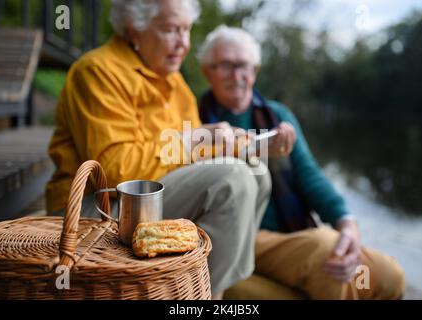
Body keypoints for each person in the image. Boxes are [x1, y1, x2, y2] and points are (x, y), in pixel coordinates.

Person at [45, 1, 272, 300]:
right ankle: (199, 297)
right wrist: (191, 140)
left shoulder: (176, 83)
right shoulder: (97, 71)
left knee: (258, 173)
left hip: (150, 202)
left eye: (187, 30)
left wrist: (239, 143)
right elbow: (115, 172)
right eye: (170, 30)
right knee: (233, 179)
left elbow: (195, 161)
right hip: (94, 210)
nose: (183, 43)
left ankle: (205, 288)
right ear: (133, 30)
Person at [198, 25, 406, 299]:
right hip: (243, 236)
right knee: (325, 252)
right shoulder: (197, 117)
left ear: (256, 70)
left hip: (292, 233)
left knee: (388, 276)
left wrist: (347, 223)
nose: (237, 75)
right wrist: (242, 147)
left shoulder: (277, 116)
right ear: (207, 71)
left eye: (243, 65)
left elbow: (310, 175)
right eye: (225, 66)